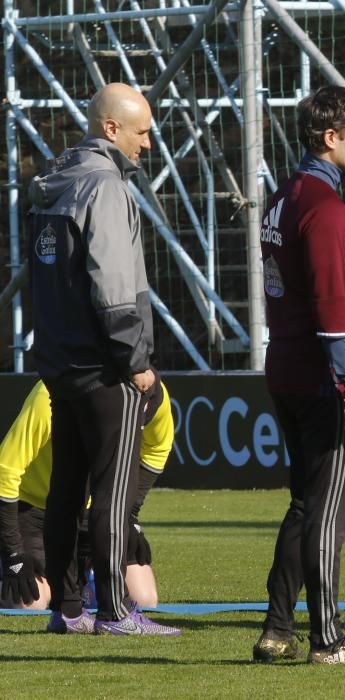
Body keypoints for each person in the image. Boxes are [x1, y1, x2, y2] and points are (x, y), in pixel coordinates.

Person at [26, 82, 178, 636]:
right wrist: (133, 358)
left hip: (60, 362)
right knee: (111, 491)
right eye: (141, 132)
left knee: (65, 487)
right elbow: (114, 286)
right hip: (104, 366)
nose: (148, 143)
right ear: (110, 129)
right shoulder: (106, 188)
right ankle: (115, 611)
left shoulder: (54, 186)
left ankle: (66, 610)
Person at [252, 85, 345, 666]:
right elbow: (332, 313)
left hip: (284, 364)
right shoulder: (325, 206)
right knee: (328, 511)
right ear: (331, 138)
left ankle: (276, 631)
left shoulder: (285, 195)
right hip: (320, 378)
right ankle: (328, 641)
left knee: (305, 505)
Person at [0, 379, 174, 611]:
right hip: (31, 508)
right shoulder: (50, 394)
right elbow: (5, 471)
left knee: (143, 599)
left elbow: (158, 448)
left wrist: (129, 513)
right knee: (31, 602)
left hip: (95, 511)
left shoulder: (153, 394)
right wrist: (13, 553)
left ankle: (85, 580)